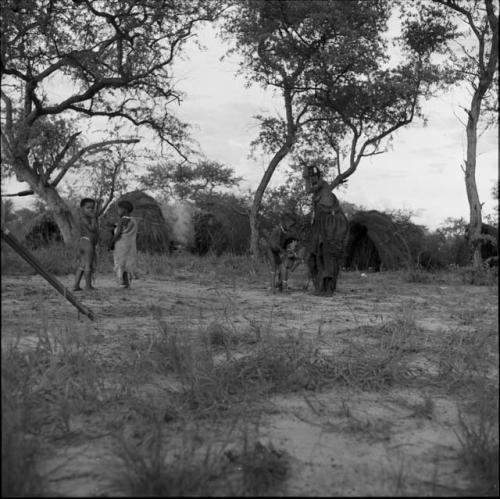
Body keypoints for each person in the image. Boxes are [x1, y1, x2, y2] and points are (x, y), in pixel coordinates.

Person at [303, 165, 349, 295]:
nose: (312, 179)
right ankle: (321, 287)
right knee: (316, 256)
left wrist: (306, 177)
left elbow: (308, 190)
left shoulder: (323, 185)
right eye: (311, 177)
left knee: (327, 256)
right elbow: (310, 192)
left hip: (329, 226)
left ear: (318, 176)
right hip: (322, 224)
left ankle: (327, 289)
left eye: (314, 176)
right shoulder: (319, 189)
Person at [267, 213, 301, 293]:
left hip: (277, 252)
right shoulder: (278, 231)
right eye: (290, 224)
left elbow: (285, 244)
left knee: (283, 268)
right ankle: (272, 288)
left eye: (292, 225)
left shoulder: (285, 232)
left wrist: (291, 253)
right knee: (274, 267)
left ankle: (283, 288)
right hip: (271, 250)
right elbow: (276, 244)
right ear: (284, 223)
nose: (291, 226)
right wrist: (285, 252)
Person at [108, 200, 138, 288]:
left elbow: (118, 233)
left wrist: (111, 242)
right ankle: (126, 282)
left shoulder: (122, 220)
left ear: (124, 210)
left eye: (119, 209)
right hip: (130, 246)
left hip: (121, 245)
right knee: (126, 263)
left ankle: (123, 281)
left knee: (120, 263)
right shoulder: (133, 220)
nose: (118, 211)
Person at [74, 197, 99, 291]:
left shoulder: (86, 218)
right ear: (82, 209)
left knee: (82, 265)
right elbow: (92, 229)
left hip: (84, 242)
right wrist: (93, 219)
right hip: (87, 243)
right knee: (88, 265)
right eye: (88, 208)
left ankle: (76, 286)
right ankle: (88, 286)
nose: (91, 210)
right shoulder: (84, 219)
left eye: (93, 208)